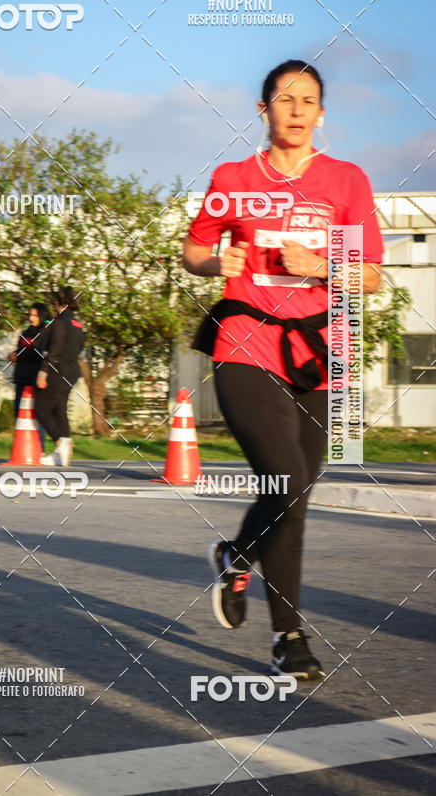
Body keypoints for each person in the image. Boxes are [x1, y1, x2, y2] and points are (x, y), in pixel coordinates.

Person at [183, 60, 383, 680]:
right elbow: (193, 250)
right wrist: (218, 262)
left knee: (292, 494)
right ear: (263, 110)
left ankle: (237, 554)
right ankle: (288, 637)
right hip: (245, 342)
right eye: (284, 98)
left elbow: (372, 276)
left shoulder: (346, 181)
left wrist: (321, 265)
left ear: (321, 113)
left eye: (309, 100)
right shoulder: (233, 177)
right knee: (288, 481)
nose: (296, 108)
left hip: (319, 352)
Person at [36, 286, 85, 467]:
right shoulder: (78, 324)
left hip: (57, 370)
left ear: (57, 303)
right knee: (60, 409)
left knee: (40, 408)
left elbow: (54, 348)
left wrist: (44, 370)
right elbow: (80, 346)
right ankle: (61, 455)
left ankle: (61, 443)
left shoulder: (58, 322)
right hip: (72, 372)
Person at [8, 303, 51, 451]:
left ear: (41, 316)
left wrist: (20, 355)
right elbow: (21, 349)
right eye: (30, 314)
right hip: (21, 378)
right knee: (19, 414)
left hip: (35, 379)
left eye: (34, 315)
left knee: (36, 416)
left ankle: (40, 449)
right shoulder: (26, 332)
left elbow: (40, 354)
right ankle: (22, 449)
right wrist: (14, 354)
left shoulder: (46, 333)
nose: (31, 318)